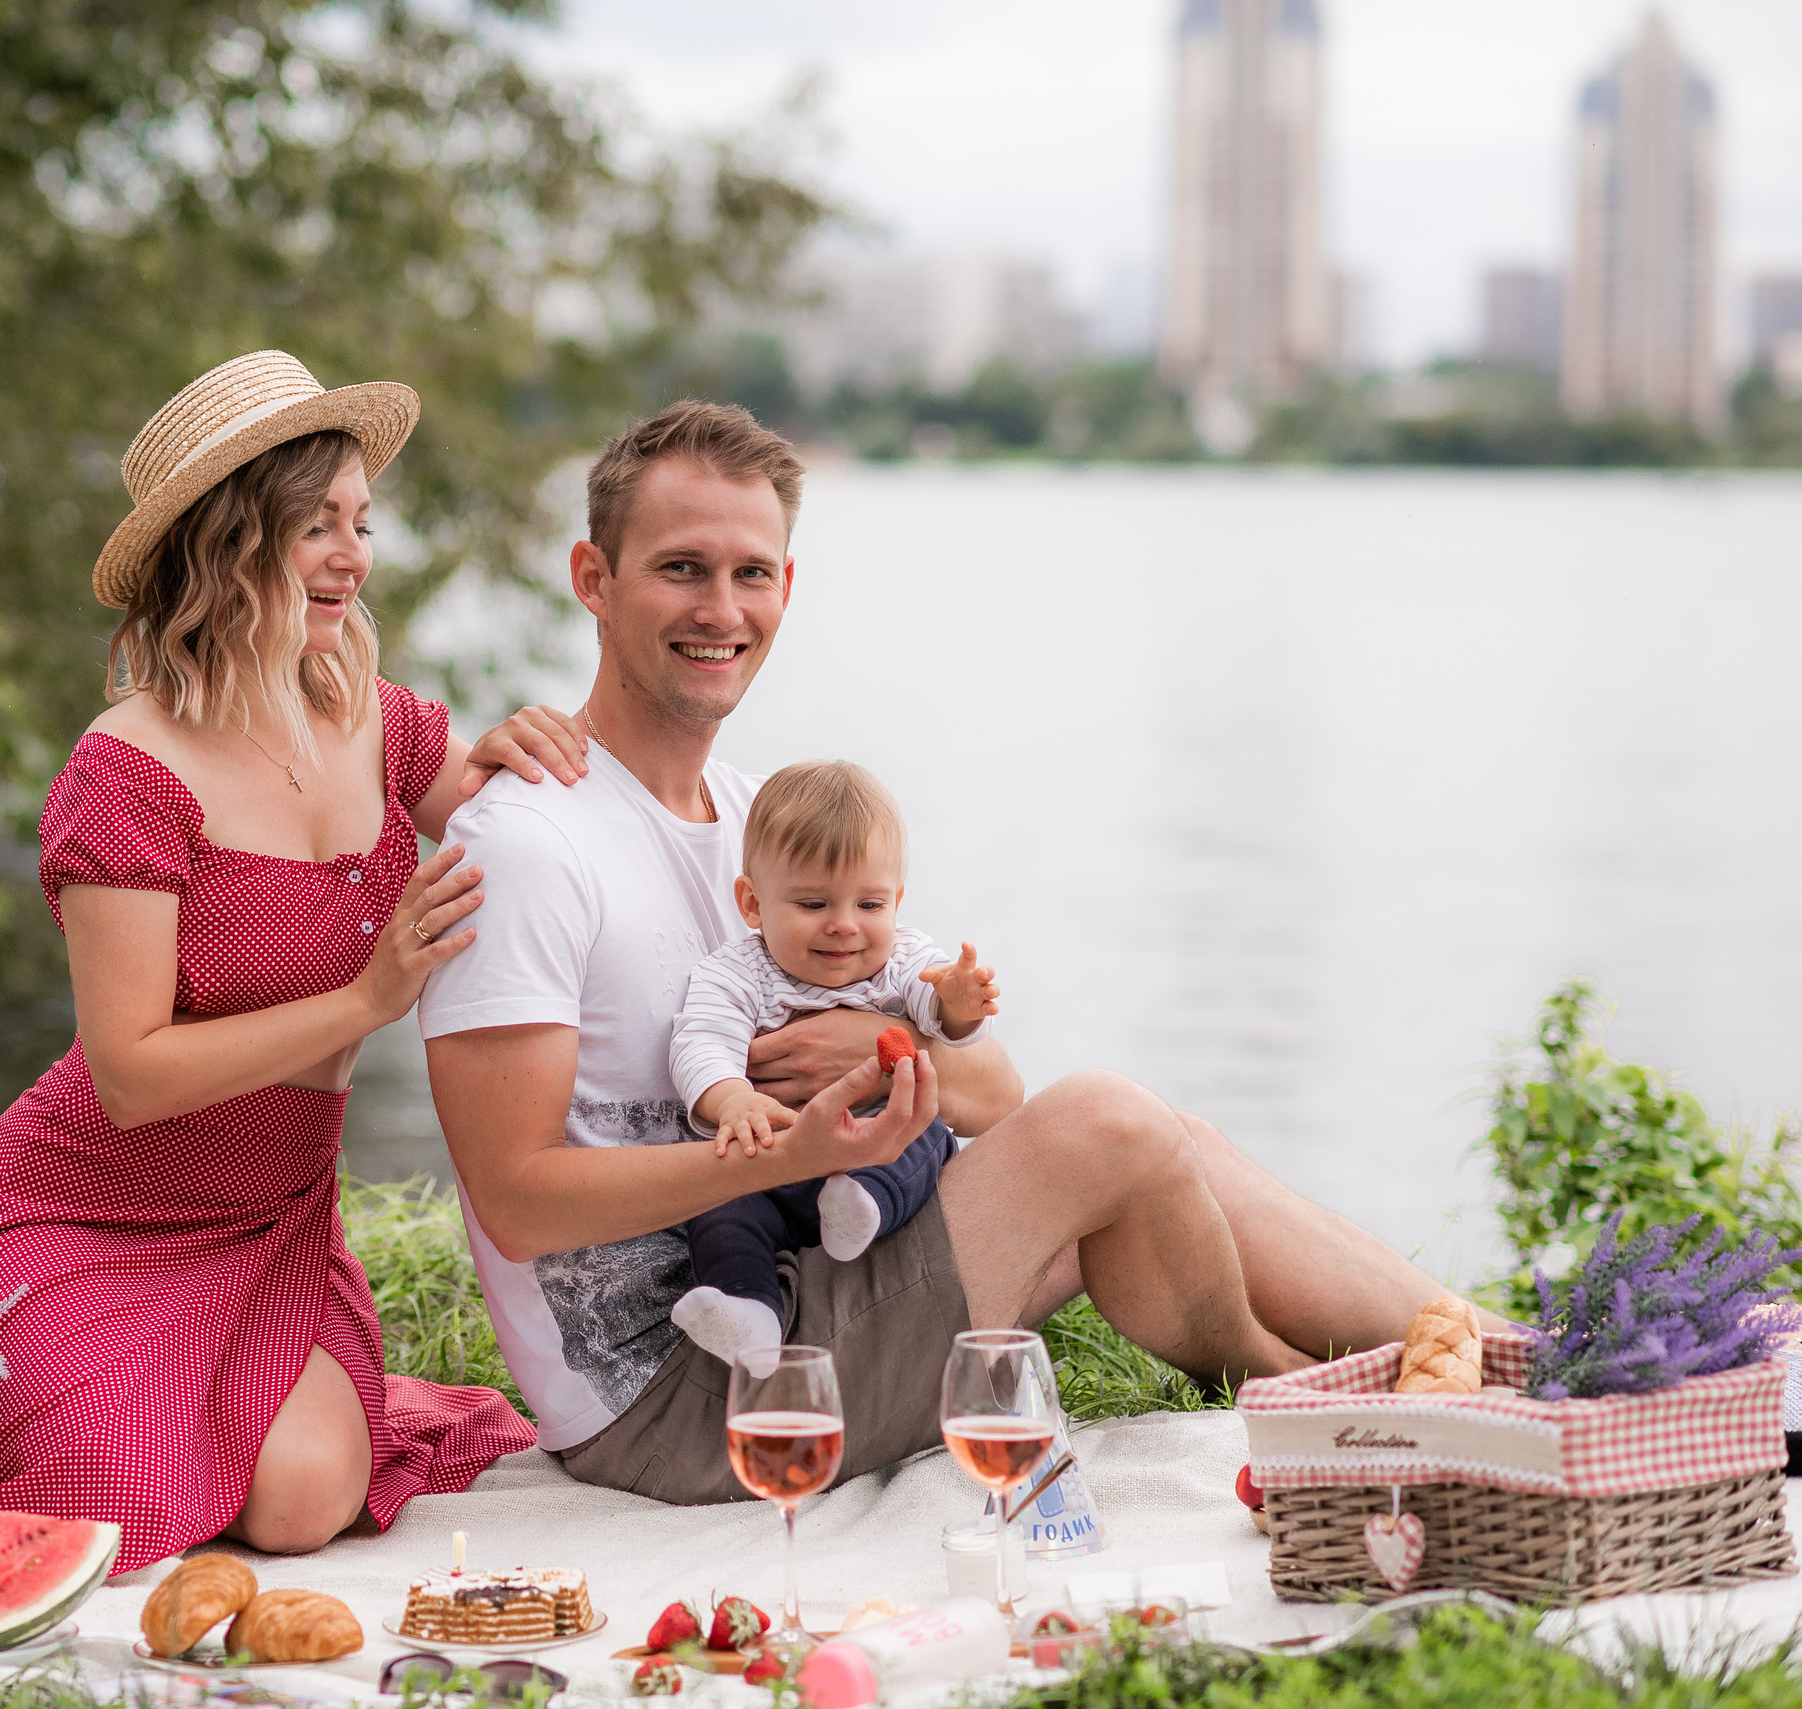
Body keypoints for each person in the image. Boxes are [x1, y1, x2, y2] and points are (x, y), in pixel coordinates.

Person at [419, 399, 1480, 1504]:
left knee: (1169, 1140)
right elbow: (517, 1200)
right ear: (592, 579)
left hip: (817, 1265)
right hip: (687, 1389)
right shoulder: (532, 841)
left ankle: (1516, 1358)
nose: (721, 609)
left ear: (788, 586)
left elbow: (990, 1084)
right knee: (1108, 1124)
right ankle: (1312, 1398)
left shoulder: (754, 821)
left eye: (752, 572)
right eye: (681, 568)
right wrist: (783, 1153)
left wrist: (871, 1044)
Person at [0, 351, 586, 1567]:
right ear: (227, 540)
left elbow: (528, 826)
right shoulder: (126, 772)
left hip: (272, 1220)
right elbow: (130, 1074)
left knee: (301, 1500)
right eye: (316, 524)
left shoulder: (377, 716)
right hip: (85, 1209)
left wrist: (545, 746)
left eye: (361, 523)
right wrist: (367, 996)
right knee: (113, 1481)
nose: (353, 556)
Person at [666, 759, 999, 1368]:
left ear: (896, 901)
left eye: (870, 904)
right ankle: (752, 1318)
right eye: (814, 903)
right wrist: (731, 1098)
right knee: (719, 1211)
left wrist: (957, 1002)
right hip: (776, 1166)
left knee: (923, 1127)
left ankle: (861, 1206)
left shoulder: (902, 958)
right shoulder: (737, 973)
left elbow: (935, 1013)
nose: (844, 926)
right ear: (752, 903)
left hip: (875, 1155)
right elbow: (701, 1043)